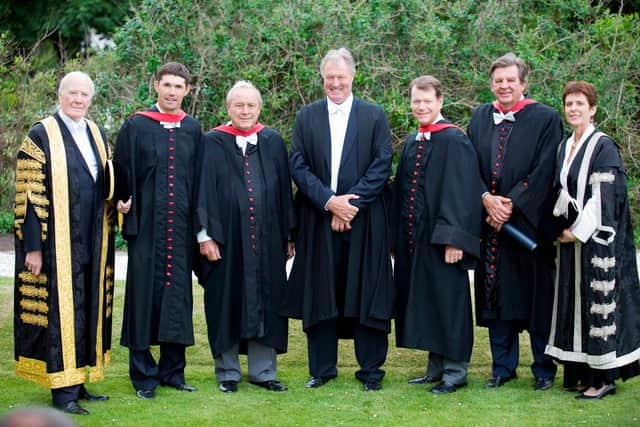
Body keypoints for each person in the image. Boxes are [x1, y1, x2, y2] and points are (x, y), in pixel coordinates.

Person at [282, 47, 394, 391]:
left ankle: (371, 371)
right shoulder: (307, 116)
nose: (335, 83)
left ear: (352, 77)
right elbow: (297, 165)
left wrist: (350, 205)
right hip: (318, 219)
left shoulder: (374, 116)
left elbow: (382, 164)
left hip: (365, 220)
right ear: (322, 78)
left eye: (340, 77)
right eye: (329, 77)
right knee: (321, 293)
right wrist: (330, 202)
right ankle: (322, 369)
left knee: (367, 292)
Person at [13, 71, 114, 415]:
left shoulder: (97, 134)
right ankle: (62, 392)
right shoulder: (41, 134)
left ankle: (79, 381)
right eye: (72, 93)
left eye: (84, 94)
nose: (78, 100)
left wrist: (121, 201)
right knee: (61, 313)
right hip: (56, 242)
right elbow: (28, 195)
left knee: (87, 307)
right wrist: (33, 248)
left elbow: (105, 182)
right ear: (59, 95)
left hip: (92, 237)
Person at [468, 52, 562, 390]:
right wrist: (485, 200)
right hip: (491, 226)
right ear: (491, 84)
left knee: (536, 298)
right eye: (498, 80)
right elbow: (469, 166)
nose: (504, 86)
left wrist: (511, 203)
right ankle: (502, 368)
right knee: (497, 299)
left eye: (510, 80)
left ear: (523, 83)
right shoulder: (479, 117)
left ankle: (543, 369)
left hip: (529, 225)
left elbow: (546, 168)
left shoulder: (546, 118)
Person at [194, 81, 295, 393]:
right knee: (225, 298)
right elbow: (201, 190)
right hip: (226, 239)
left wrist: (289, 234)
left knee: (268, 299)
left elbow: (283, 191)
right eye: (239, 105)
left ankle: (264, 372)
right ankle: (227, 372)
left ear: (259, 108)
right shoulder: (212, 142)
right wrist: (204, 235)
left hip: (267, 239)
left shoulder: (272, 141)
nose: (245, 111)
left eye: (251, 105)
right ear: (229, 108)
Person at [545, 81, 640, 399]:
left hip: (597, 242)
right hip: (569, 242)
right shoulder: (564, 146)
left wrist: (577, 231)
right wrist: (556, 226)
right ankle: (579, 372)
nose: (573, 109)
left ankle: (602, 379)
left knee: (597, 308)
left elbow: (604, 196)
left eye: (580, 104)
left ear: (593, 108)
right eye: (569, 103)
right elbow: (561, 192)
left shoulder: (604, 146)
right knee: (573, 305)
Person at [113, 62, 200, 399]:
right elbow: (121, 170)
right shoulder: (136, 125)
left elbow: (200, 179)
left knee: (177, 298)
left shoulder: (192, 128)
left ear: (187, 91)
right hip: (147, 227)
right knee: (142, 297)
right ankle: (143, 375)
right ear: (156, 86)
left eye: (179, 87)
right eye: (167, 85)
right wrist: (122, 203)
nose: (172, 92)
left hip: (180, 229)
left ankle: (173, 372)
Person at [391, 76, 481, 394]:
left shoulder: (454, 140)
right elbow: (402, 190)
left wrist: (454, 238)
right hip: (416, 239)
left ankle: (455, 371)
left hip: (443, 239)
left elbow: (461, 192)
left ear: (440, 101)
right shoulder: (414, 141)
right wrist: (396, 238)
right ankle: (436, 369)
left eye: (427, 100)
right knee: (428, 302)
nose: (421, 106)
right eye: (416, 101)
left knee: (449, 303)